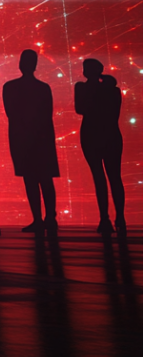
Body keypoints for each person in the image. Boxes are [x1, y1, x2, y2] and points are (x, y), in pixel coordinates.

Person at [2, 50, 60, 234]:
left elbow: (11, 113)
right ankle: (49, 217)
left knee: (31, 179)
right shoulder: (43, 88)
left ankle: (39, 218)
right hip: (41, 137)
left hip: (22, 137)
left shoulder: (10, 87)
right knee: (45, 179)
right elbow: (47, 114)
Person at [75, 59, 126, 235]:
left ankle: (104, 218)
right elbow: (114, 113)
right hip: (111, 133)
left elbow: (80, 109)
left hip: (91, 134)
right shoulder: (113, 91)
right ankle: (120, 217)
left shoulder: (81, 88)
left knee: (99, 177)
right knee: (115, 176)